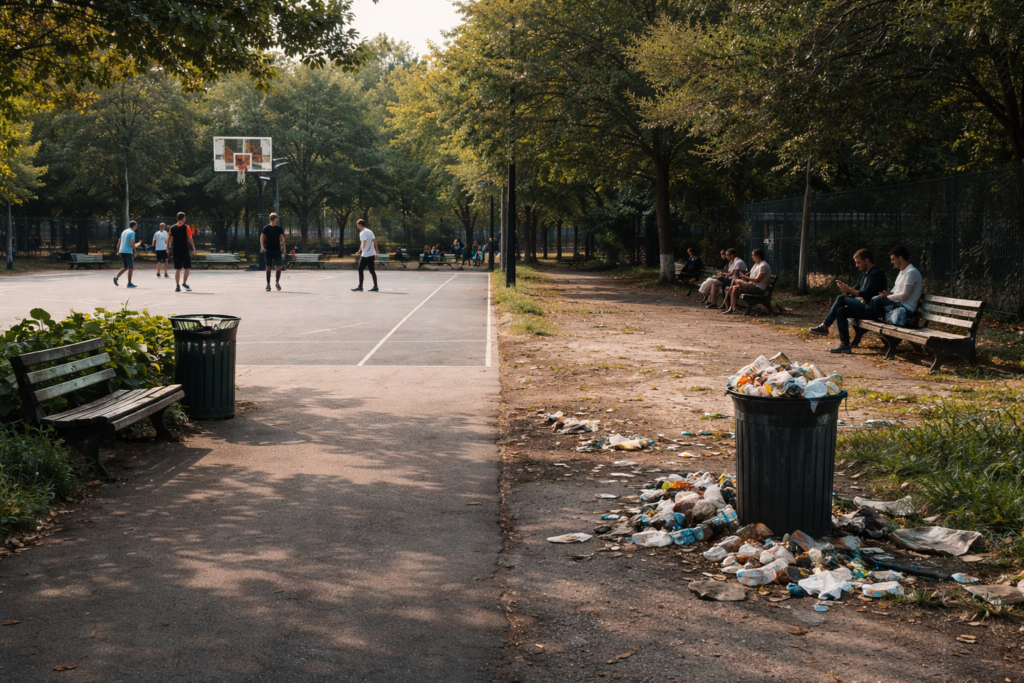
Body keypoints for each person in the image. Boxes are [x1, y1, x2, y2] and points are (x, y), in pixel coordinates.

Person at [808, 248, 888, 353]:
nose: (857, 265)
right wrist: (846, 290)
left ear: (867, 261)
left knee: (841, 298)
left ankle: (825, 326)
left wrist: (849, 290)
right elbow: (855, 290)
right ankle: (845, 344)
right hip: (865, 307)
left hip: (873, 311)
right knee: (841, 311)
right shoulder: (863, 274)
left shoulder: (876, 273)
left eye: (858, 262)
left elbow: (865, 293)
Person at [869, 245, 924, 322]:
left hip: (905, 308)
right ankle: (880, 318)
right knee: (874, 299)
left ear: (900, 258)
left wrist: (887, 297)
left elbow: (904, 295)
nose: (891, 262)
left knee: (877, 300)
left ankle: (880, 319)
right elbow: (895, 291)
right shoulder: (902, 272)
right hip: (898, 305)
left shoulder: (911, 272)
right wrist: (888, 293)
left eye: (893, 259)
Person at [723, 248, 771, 314]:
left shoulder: (763, 265)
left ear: (758, 256)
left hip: (758, 289)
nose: (752, 257)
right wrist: (745, 277)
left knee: (734, 280)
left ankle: (726, 302)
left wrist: (745, 277)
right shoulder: (756, 264)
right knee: (734, 288)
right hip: (752, 286)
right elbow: (751, 275)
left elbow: (757, 280)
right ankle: (732, 308)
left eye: (753, 255)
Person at [167, 212, 196, 292]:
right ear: (183, 218)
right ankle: (184, 282)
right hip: (184, 249)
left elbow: (168, 238)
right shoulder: (187, 227)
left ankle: (177, 285)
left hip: (176, 249)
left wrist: (168, 249)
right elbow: (190, 238)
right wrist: (194, 248)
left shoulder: (172, 227)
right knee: (187, 267)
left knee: (177, 268)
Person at [261, 212, 286, 291]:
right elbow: (262, 237)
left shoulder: (279, 228)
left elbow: (282, 238)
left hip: (277, 250)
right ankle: (268, 284)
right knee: (268, 268)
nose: (277, 220)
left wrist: (284, 248)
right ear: (274, 219)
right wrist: (262, 246)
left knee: (278, 267)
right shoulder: (266, 228)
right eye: (276, 218)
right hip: (268, 250)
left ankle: (277, 282)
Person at [352, 218, 379, 292]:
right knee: (364, 269)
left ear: (360, 225)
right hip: (369, 254)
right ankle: (360, 286)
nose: (357, 226)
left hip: (366, 254)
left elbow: (363, 243)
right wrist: (376, 249)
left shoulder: (362, 233)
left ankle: (375, 286)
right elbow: (374, 240)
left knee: (368, 270)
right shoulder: (369, 231)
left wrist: (359, 251)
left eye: (357, 224)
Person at [113, 220, 140, 288]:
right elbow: (131, 242)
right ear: (134, 225)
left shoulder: (124, 231)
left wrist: (118, 250)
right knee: (131, 267)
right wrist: (135, 251)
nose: (137, 226)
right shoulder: (132, 232)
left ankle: (116, 277)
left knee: (126, 267)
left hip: (122, 250)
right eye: (136, 225)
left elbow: (119, 241)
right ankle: (129, 283)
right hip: (128, 251)